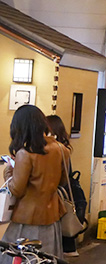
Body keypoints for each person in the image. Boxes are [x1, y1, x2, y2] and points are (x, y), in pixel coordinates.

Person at [1, 105, 69, 263]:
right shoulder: (61, 149)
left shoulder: (25, 153)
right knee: (46, 259)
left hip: (26, 219)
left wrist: (9, 171)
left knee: (17, 257)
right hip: (52, 216)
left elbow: (16, 189)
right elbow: (63, 182)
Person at [45, 115, 80, 258]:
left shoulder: (55, 150)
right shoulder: (63, 148)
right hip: (66, 192)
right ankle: (68, 246)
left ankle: (65, 248)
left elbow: (62, 177)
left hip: (59, 194)